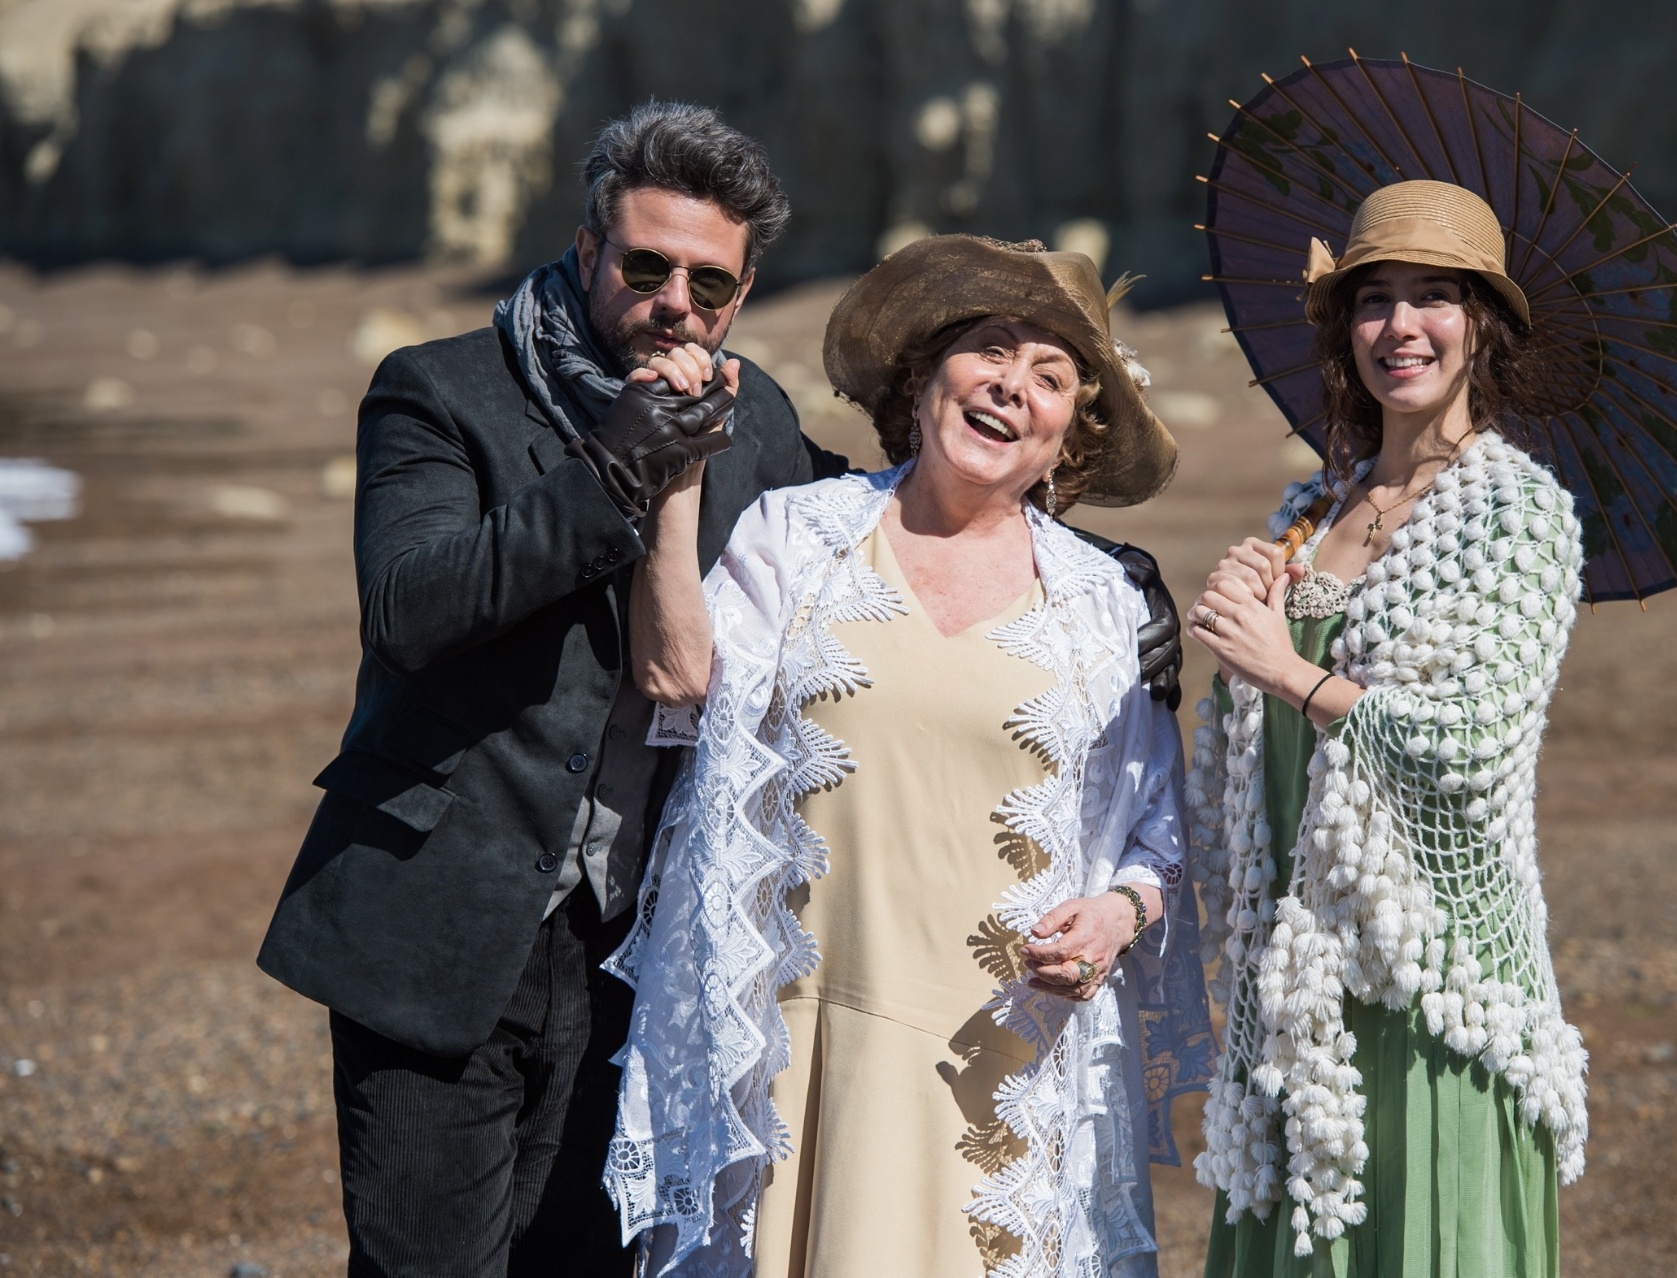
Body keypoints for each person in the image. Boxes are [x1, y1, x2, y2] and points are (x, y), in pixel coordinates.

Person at [255, 104, 1183, 1275]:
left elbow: (891, 515)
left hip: (627, 955)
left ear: (739, 295)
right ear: (588, 248)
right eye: (646, 267)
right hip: (442, 925)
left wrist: (1115, 574)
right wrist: (617, 465)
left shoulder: (754, 422)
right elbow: (408, 610)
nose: (674, 303)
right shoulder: (441, 392)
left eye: (709, 282)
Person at [599, 235, 1214, 1278]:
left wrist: (1117, 916)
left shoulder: (1106, 605)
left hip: (998, 1062)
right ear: (925, 379)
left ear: (1070, 436)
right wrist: (676, 484)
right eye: (990, 351)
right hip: (799, 1048)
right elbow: (678, 676)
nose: (1011, 386)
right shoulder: (797, 536)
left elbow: (1157, 838)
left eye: (1051, 376)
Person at [1183, 181, 1589, 1276]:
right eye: (1373, 300)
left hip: (1425, 967)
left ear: (1481, 326)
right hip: (1299, 967)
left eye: (1433, 297)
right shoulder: (1312, 508)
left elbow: (1467, 745)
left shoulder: (1516, 513)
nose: (1400, 326)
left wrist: (1284, 668)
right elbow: (1251, 739)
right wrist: (1239, 638)